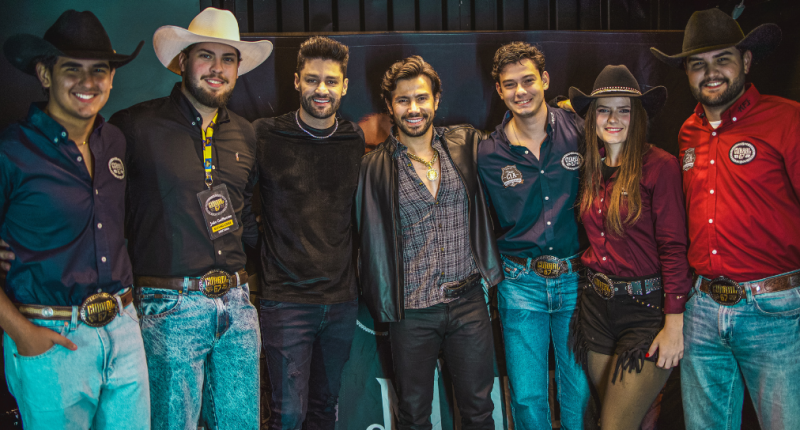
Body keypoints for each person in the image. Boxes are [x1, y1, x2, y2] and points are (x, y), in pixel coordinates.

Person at [108, 8, 272, 429]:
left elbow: (244, 218)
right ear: (183, 61)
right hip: (169, 305)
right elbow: (104, 211)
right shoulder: (133, 127)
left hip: (237, 306)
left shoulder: (246, 133)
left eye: (228, 59)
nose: (217, 69)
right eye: (206, 56)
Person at [651, 8, 800, 430]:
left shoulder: (788, 119)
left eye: (723, 59)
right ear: (686, 73)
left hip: (775, 312)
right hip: (702, 311)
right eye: (698, 64)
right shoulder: (687, 133)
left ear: (747, 61)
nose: (710, 73)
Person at [0, 10, 148, 429]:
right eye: (72, 69)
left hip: (123, 329)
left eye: (98, 70)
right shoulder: (12, 151)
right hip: (49, 335)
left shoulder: (113, 140)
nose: (88, 82)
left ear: (112, 78)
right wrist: (21, 334)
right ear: (45, 74)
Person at [356, 55, 503, 430]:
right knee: (414, 414)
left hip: (469, 303)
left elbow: (512, 147)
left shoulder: (465, 142)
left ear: (436, 100)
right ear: (390, 105)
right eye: (403, 100)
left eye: (422, 98)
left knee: (478, 410)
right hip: (412, 312)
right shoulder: (374, 167)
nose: (413, 108)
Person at [568, 64, 689, 430]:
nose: (613, 118)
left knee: (616, 425)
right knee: (621, 418)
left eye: (624, 109)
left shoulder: (660, 166)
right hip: (597, 309)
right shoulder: (592, 167)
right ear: (592, 118)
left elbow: (673, 247)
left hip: (646, 313)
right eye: (604, 109)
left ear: (638, 116)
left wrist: (674, 325)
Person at [476, 41, 590, 429]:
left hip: (576, 280)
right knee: (526, 398)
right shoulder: (487, 152)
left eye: (528, 80)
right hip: (520, 283)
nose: (520, 91)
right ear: (499, 90)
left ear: (544, 80)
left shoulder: (580, 130)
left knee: (577, 390)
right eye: (510, 84)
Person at [253, 36, 364, 430]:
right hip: (285, 302)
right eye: (313, 79)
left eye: (331, 81)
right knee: (286, 416)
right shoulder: (264, 135)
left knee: (324, 410)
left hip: (341, 303)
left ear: (344, 86)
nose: (322, 89)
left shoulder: (354, 141)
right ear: (297, 80)